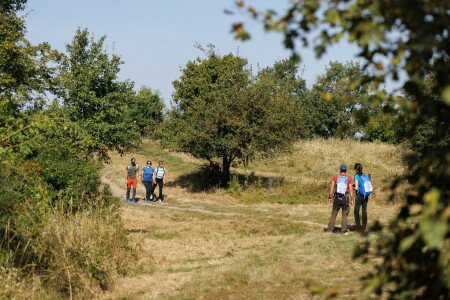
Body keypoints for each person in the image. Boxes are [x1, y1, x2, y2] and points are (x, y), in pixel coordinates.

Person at [327, 164, 354, 235]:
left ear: (340, 170)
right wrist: (352, 199)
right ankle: (343, 231)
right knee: (344, 214)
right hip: (345, 198)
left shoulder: (335, 177)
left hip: (336, 198)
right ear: (346, 170)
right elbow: (351, 190)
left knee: (334, 213)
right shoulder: (349, 178)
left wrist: (330, 197)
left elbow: (331, 188)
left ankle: (330, 229)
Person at [353, 163, 372, 231]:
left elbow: (357, 187)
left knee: (356, 210)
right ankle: (364, 226)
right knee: (364, 210)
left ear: (355, 169)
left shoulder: (356, 176)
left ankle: (358, 226)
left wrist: (353, 187)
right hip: (366, 195)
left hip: (359, 195)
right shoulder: (365, 175)